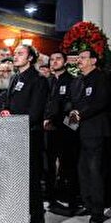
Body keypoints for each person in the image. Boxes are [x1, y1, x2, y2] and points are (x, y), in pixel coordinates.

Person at [7, 44, 50, 223]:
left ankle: (37, 219)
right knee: (16, 178)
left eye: (20, 53)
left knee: (31, 179)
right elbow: (9, 103)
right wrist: (5, 113)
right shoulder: (15, 78)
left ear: (30, 58)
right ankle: (17, 216)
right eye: (15, 53)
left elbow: (36, 112)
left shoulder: (39, 80)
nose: (15, 56)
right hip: (13, 134)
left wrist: (15, 120)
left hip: (30, 135)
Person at [69, 49, 110, 223]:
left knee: (94, 171)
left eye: (83, 58)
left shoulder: (101, 78)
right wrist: (71, 117)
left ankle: (97, 211)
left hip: (95, 131)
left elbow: (101, 102)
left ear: (93, 61)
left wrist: (81, 114)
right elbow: (72, 103)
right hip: (79, 132)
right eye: (78, 58)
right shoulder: (78, 80)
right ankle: (88, 203)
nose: (79, 60)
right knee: (83, 170)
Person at [43, 51, 79, 214]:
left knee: (69, 165)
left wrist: (72, 130)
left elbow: (75, 107)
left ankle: (72, 200)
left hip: (66, 130)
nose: (54, 61)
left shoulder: (73, 81)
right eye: (52, 59)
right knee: (49, 166)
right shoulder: (47, 81)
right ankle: (51, 198)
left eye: (58, 59)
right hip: (48, 130)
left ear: (65, 62)